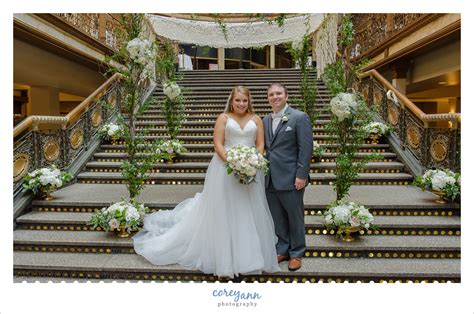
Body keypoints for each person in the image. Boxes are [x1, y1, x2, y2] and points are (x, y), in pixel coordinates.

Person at [133, 86, 280, 278]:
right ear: (232, 101)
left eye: (244, 100)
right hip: (225, 169)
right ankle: (224, 256)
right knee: (224, 209)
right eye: (238, 100)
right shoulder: (223, 118)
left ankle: (248, 257)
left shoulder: (256, 119)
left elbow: (260, 144)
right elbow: (218, 143)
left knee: (247, 209)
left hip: (251, 170)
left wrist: (254, 161)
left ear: (249, 101)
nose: (241, 104)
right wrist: (232, 162)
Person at [263, 83, 313, 271]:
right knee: (277, 218)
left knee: (295, 217)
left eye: (278, 93)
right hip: (270, 178)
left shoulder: (299, 117)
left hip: (292, 178)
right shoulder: (265, 120)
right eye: (271, 94)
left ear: (286, 95)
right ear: (267, 98)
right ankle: (282, 248)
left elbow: (306, 148)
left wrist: (301, 175)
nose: (274, 97)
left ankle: (297, 252)